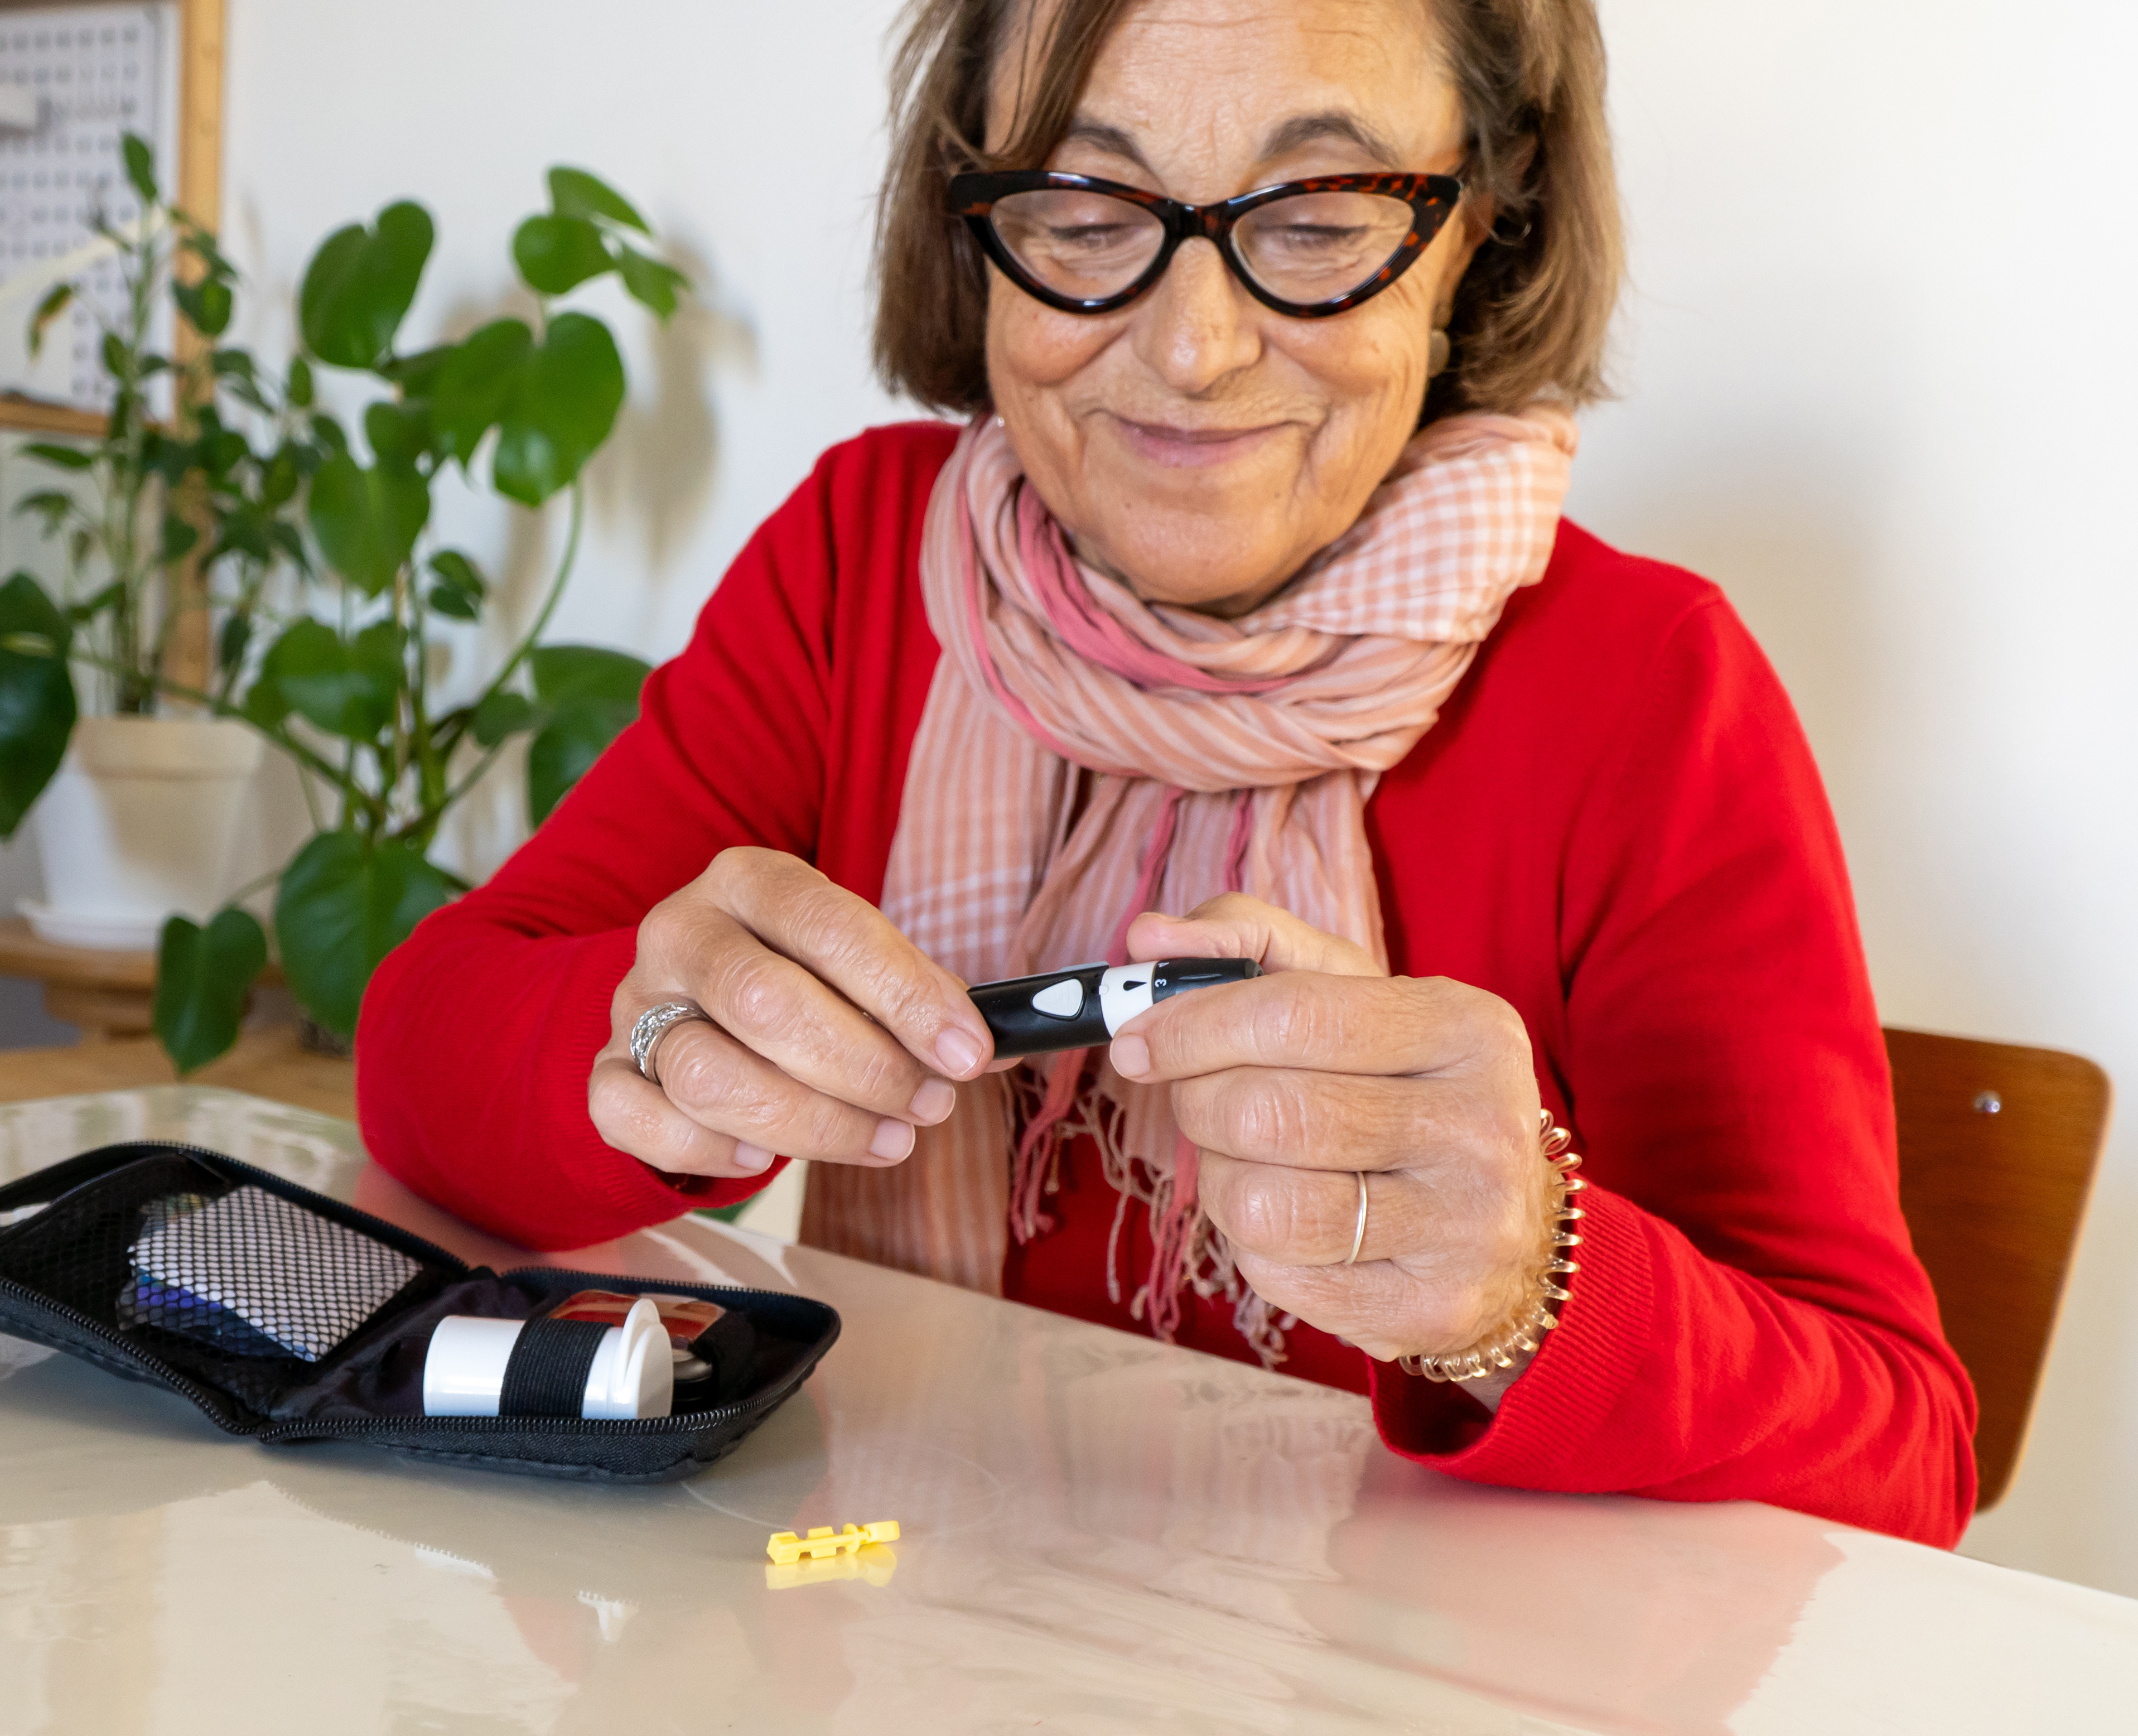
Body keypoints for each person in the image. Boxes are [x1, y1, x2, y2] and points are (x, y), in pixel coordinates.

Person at [358, 0, 1976, 1546]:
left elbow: (1903, 1457)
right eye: (1081, 209)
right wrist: (657, 1049)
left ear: (1482, 227)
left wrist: (1530, 1284)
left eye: (1322, 216)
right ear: (970, 216)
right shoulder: (862, 565)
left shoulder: (1649, 692)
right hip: (886, 1619)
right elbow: (423, 1065)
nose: (1194, 348)